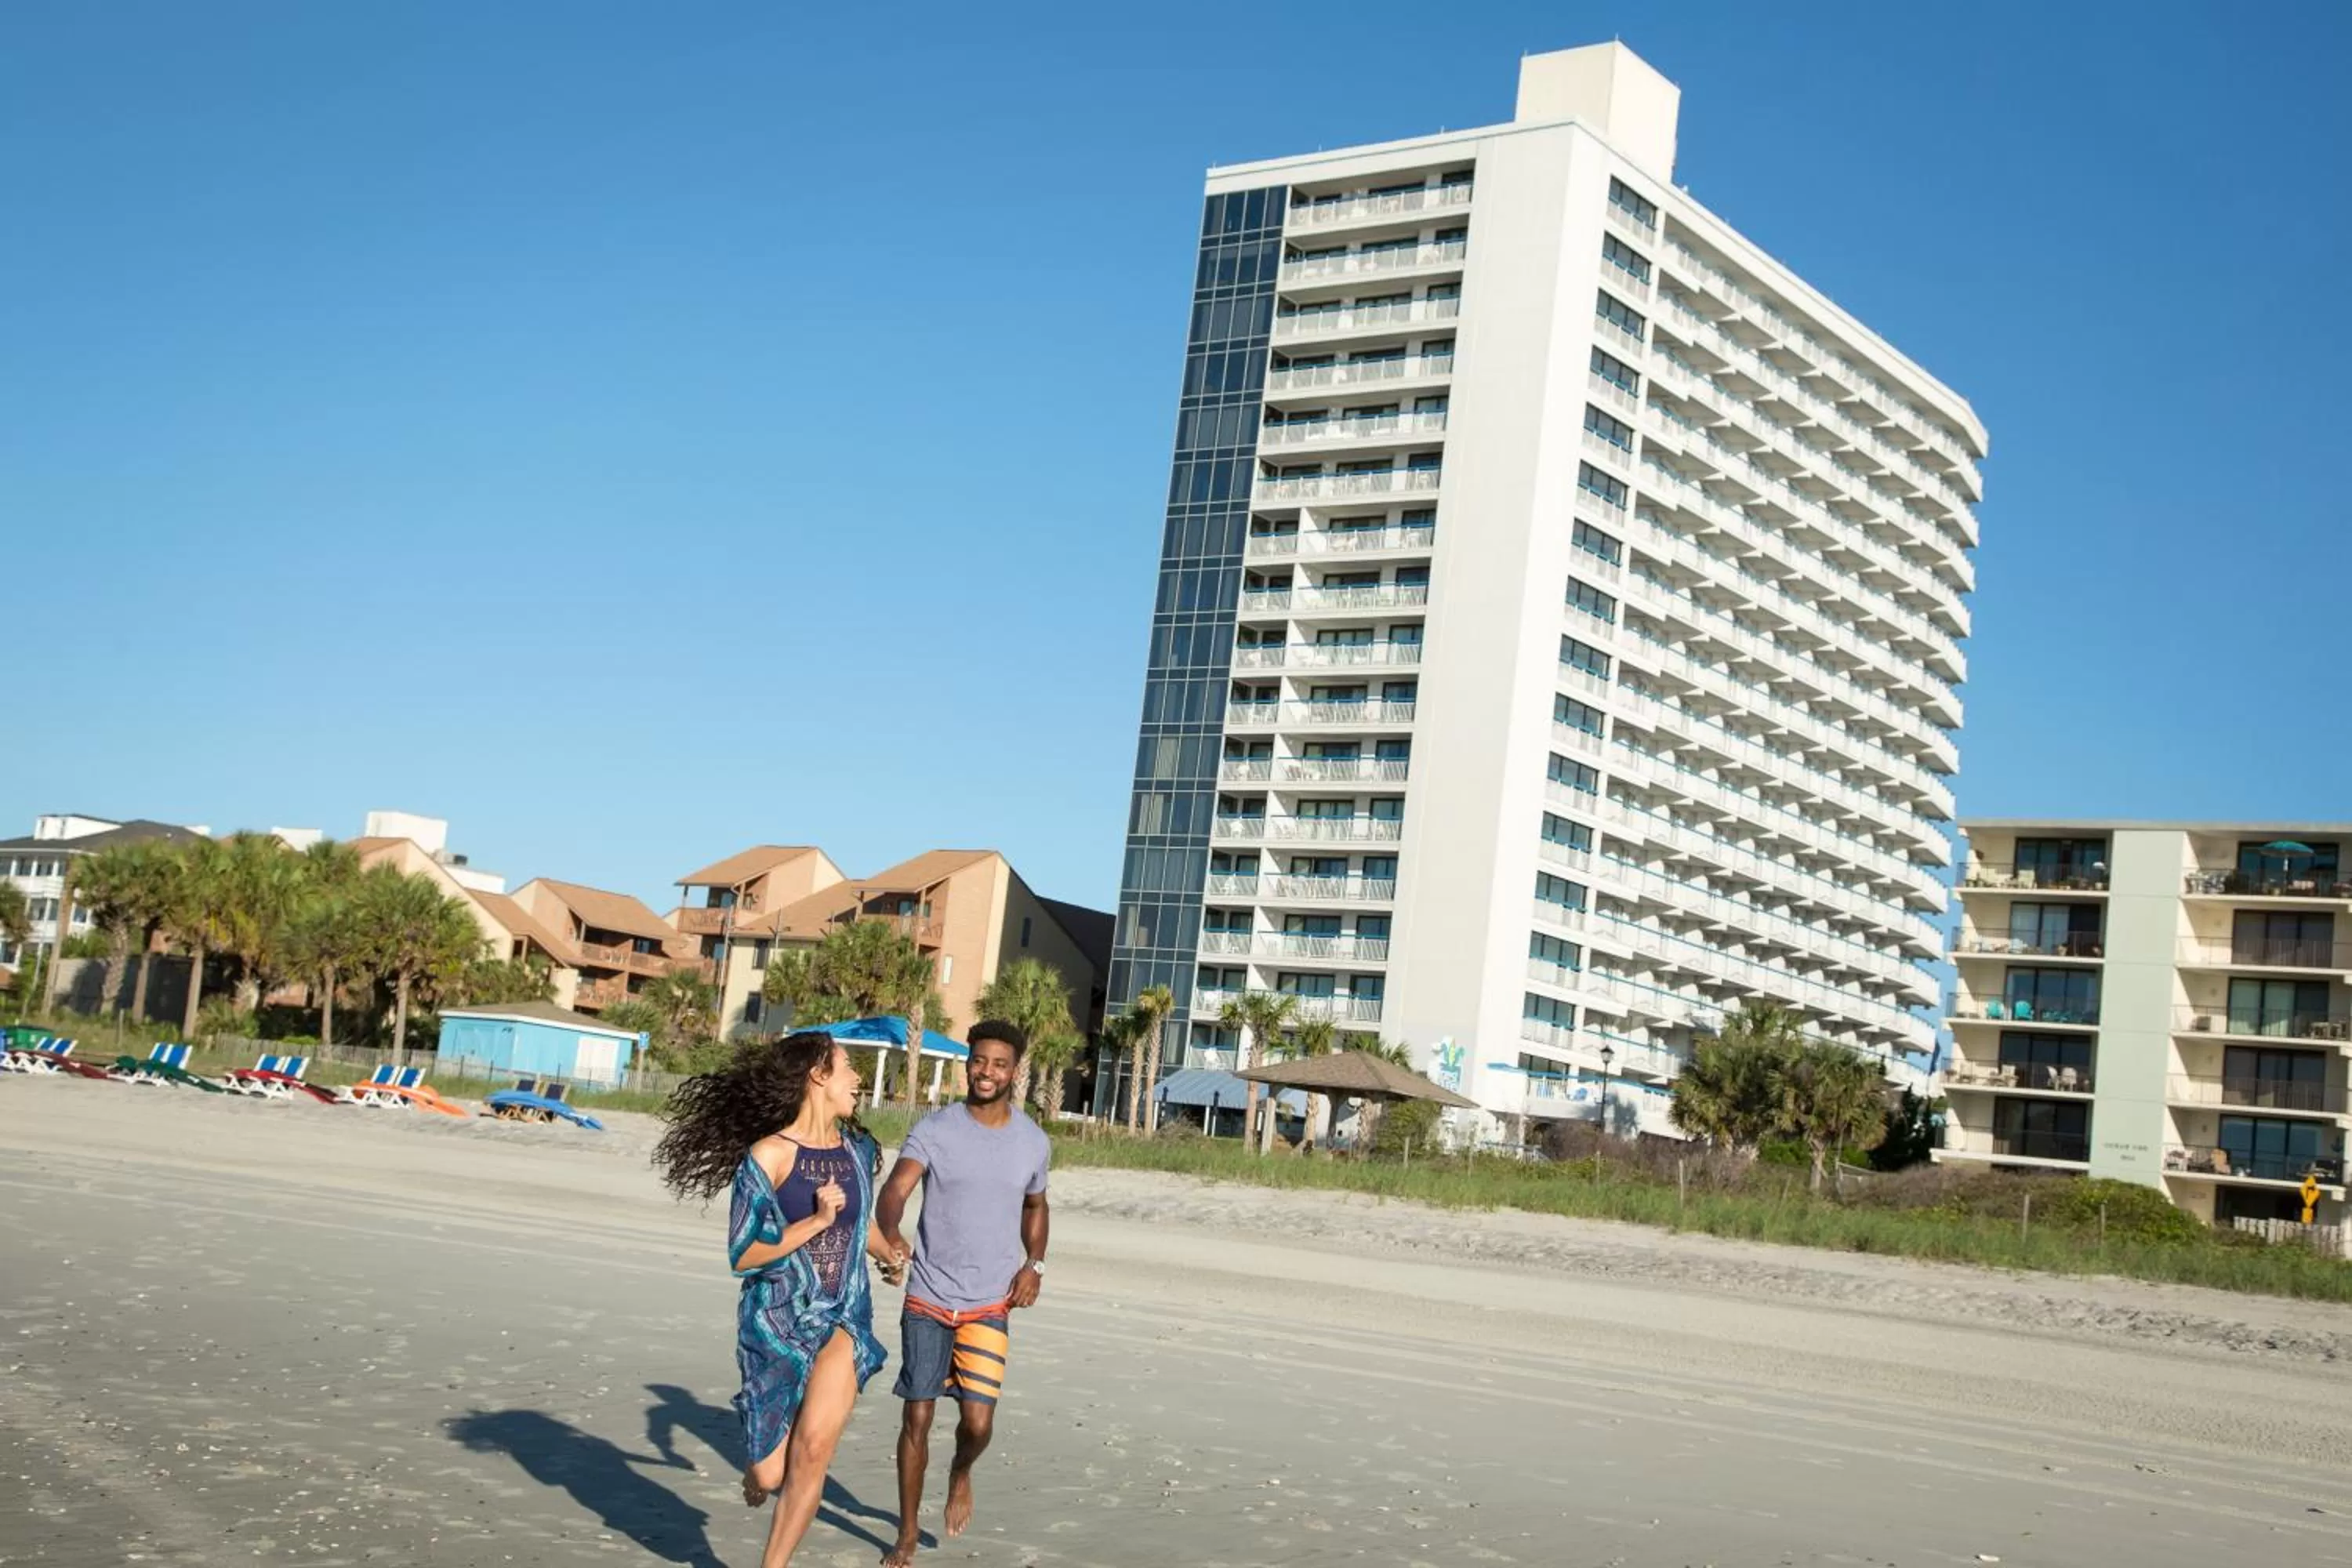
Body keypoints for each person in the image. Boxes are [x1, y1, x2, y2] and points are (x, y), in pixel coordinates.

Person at [652, 1032, 909, 1568]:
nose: (857, 1079)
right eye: (847, 1068)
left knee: (813, 1453)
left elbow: (859, 1229)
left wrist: (891, 1256)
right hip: (776, 1323)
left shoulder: (857, 1150)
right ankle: (757, 1466)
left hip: (842, 1317)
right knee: (771, 1474)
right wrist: (816, 1221)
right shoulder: (769, 1156)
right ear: (817, 1075)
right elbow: (744, 1255)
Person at [874, 1020, 1051, 1566]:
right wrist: (893, 1232)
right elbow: (895, 1190)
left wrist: (1035, 1264)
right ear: (967, 1063)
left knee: (978, 1424)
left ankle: (961, 1470)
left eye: (999, 1064)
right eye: (979, 1061)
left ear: (1014, 1071)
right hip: (928, 1294)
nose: (987, 1072)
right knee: (918, 1418)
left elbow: (1036, 1207)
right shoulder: (935, 1130)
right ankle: (906, 1533)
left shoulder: (1032, 1141)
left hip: (989, 1302)